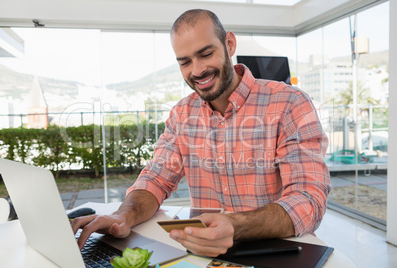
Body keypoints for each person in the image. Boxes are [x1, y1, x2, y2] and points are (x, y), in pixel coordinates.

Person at [71, 9, 331, 257]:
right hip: (201, 256)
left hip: (277, 253)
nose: (197, 71)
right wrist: (123, 215)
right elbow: (156, 179)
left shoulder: (290, 103)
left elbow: (309, 200)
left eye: (206, 54)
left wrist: (235, 225)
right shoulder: (182, 113)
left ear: (229, 44)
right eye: (185, 62)